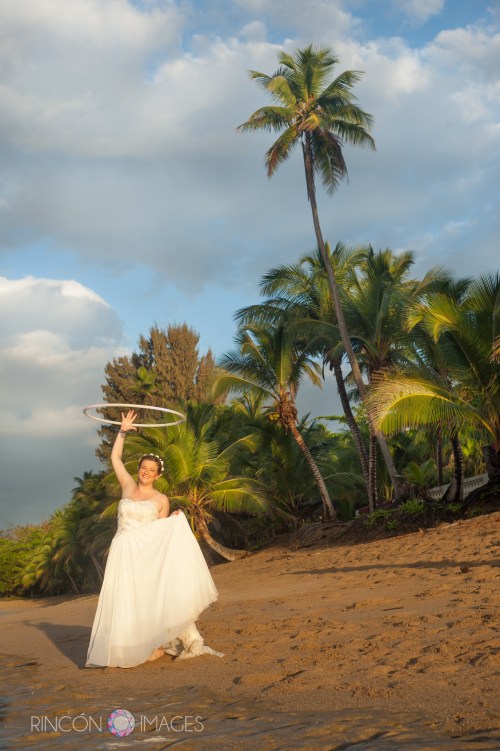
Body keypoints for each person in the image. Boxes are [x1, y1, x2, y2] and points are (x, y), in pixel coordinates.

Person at [86, 410, 223, 668]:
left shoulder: (161, 500)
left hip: (146, 555)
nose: (146, 472)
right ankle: (136, 644)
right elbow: (115, 457)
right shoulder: (127, 485)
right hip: (123, 550)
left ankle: (157, 646)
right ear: (138, 469)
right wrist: (123, 430)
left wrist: (174, 520)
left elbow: (161, 536)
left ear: (158, 475)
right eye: (143, 468)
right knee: (128, 598)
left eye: (152, 470)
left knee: (151, 596)